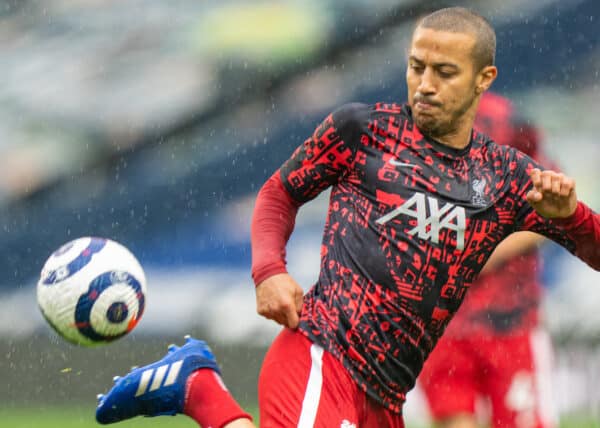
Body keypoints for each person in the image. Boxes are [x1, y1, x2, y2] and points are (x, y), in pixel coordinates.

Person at [95, 7, 600, 428]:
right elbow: (277, 194)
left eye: (444, 73)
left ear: (483, 79)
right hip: (324, 351)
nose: (424, 84)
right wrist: (269, 270)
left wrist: (570, 217)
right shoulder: (362, 131)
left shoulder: (507, 175)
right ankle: (200, 390)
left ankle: (198, 387)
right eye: (416, 66)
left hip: (386, 395)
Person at [418, 92, 557, 428]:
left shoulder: (506, 122)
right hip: (441, 322)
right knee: (454, 419)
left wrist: (488, 251)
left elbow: (554, 210)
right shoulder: (413, 127)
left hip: (508, 321)